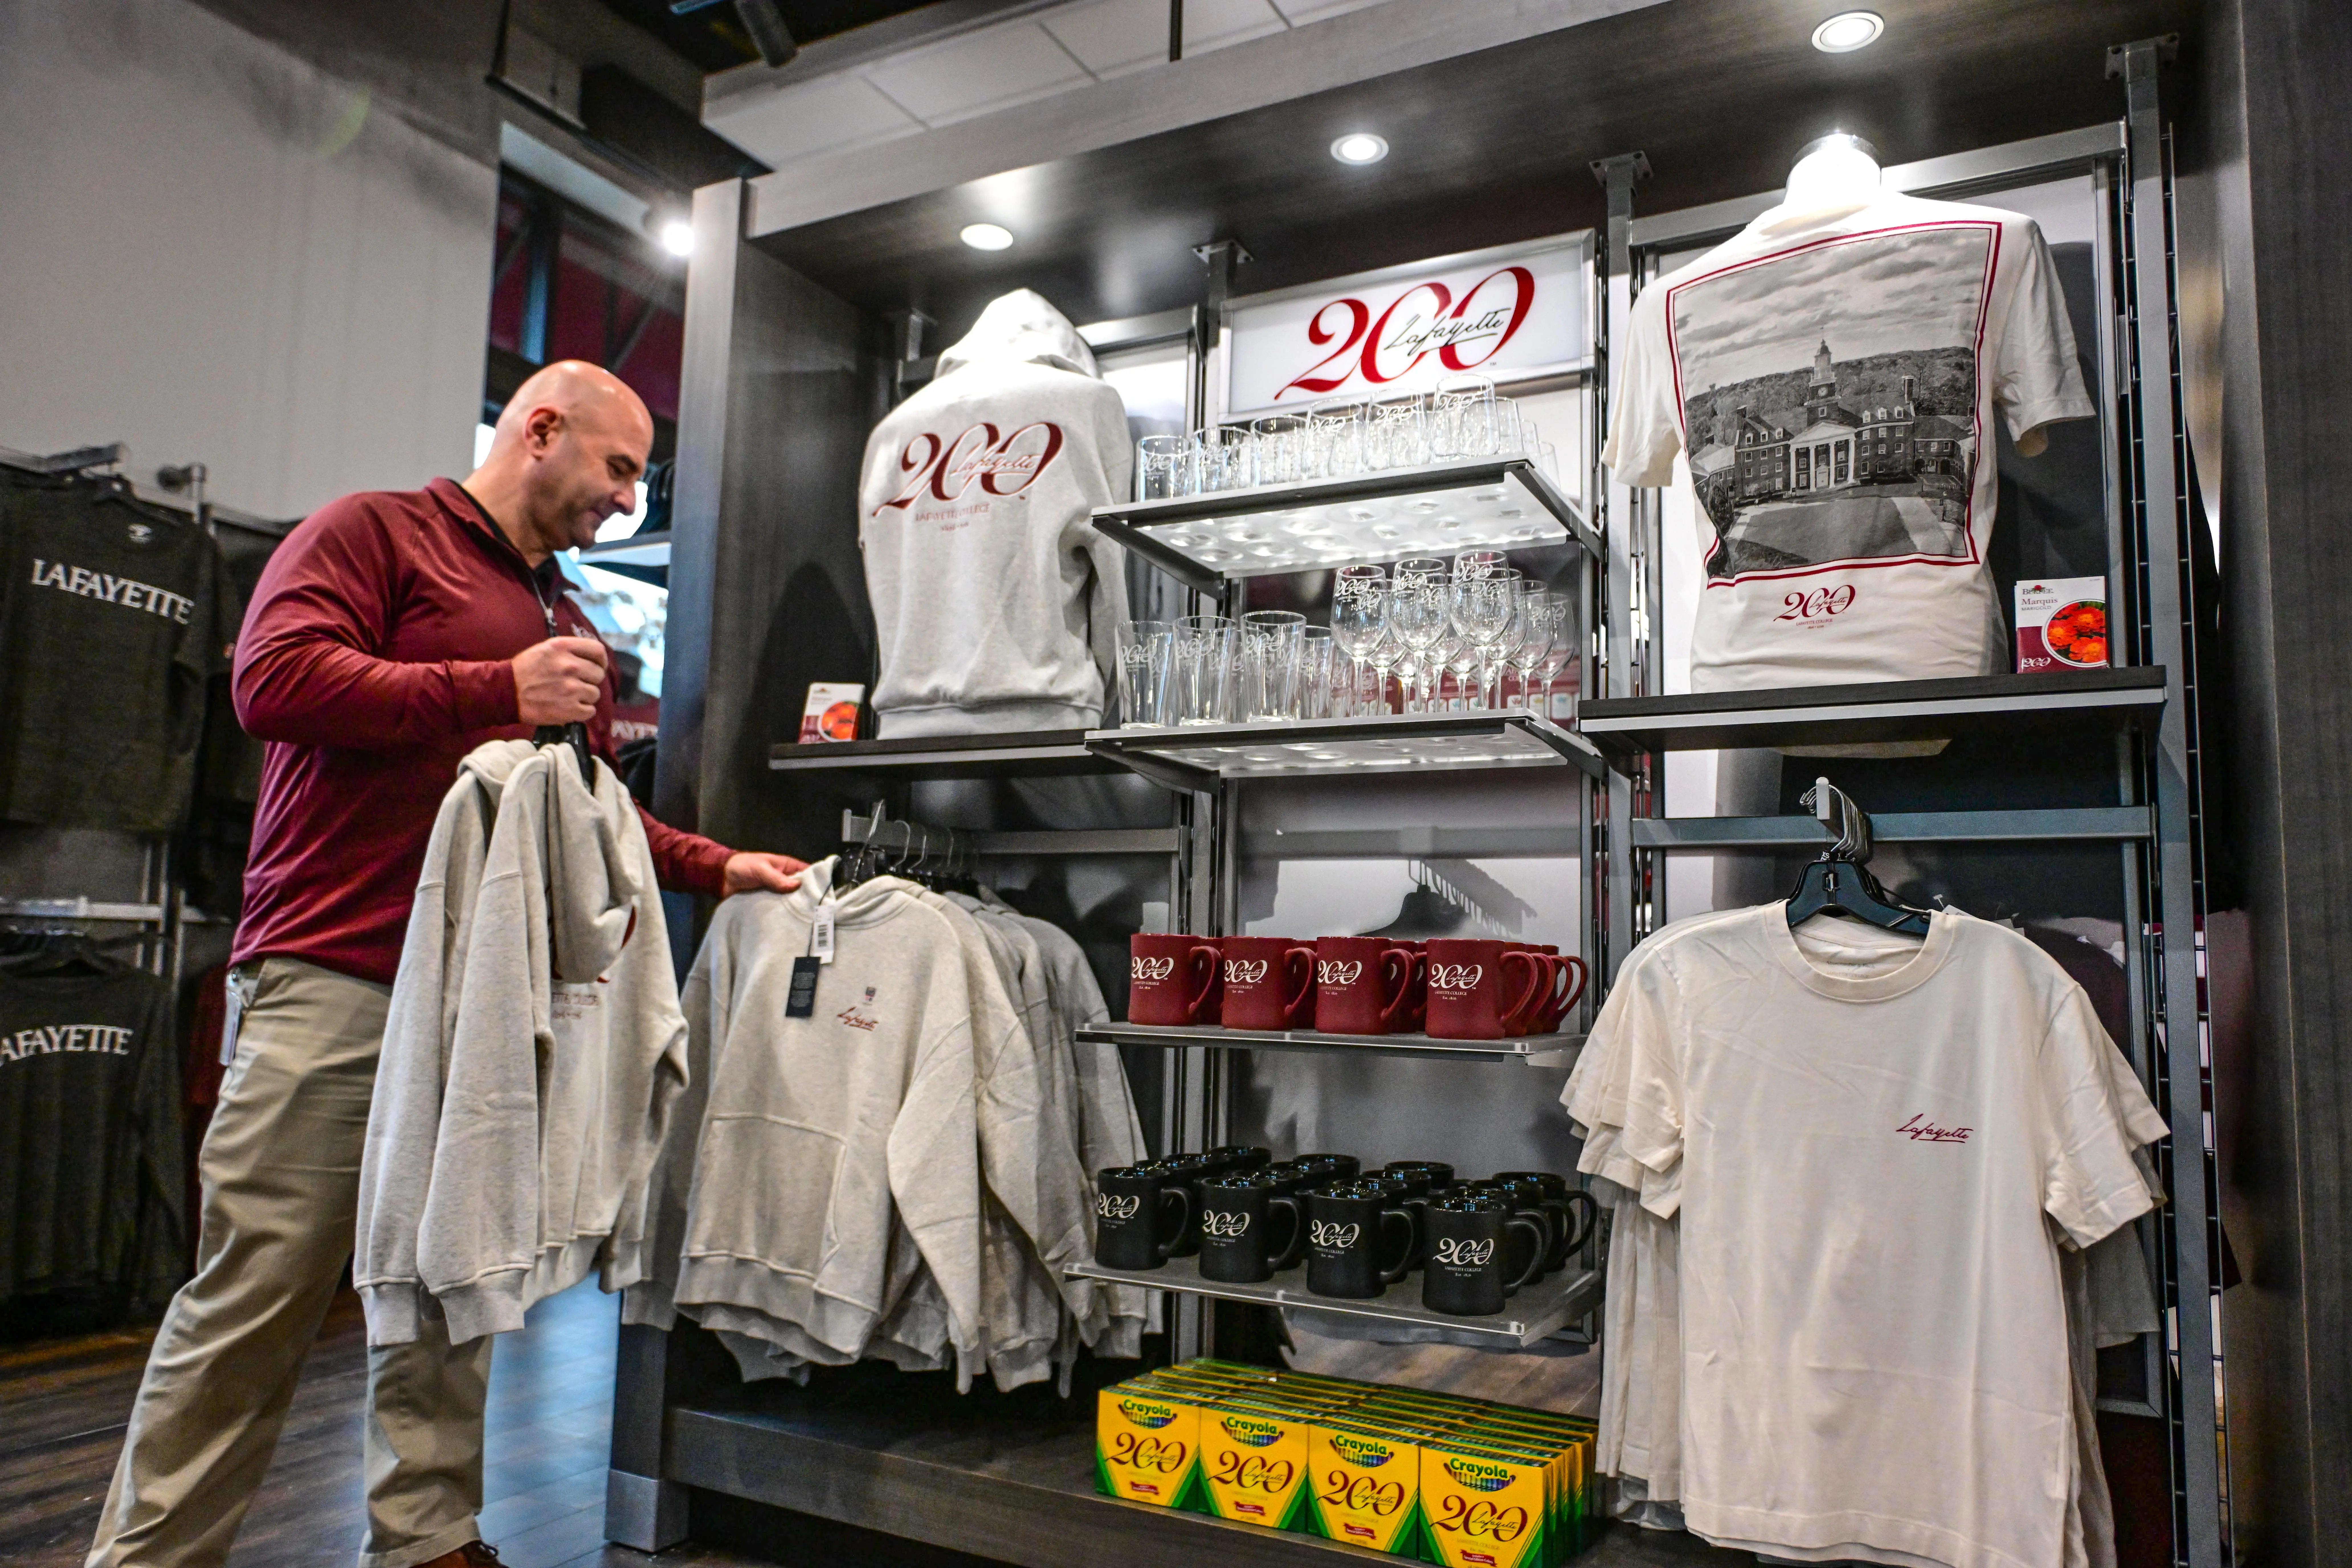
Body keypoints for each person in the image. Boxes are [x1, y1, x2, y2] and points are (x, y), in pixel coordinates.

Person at [86, 362, 806, 1568]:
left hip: (487, 1003)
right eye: (619, 468)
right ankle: (148, 1555)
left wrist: (714, 866)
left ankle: (425, 1538)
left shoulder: (569, 619)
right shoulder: (374, 532)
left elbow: (586, 814)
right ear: (541, 429)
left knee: (453, 1289)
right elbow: (271, 681)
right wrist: (494, 688)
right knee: (259, 1297)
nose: (627, 504)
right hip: (338, 974)